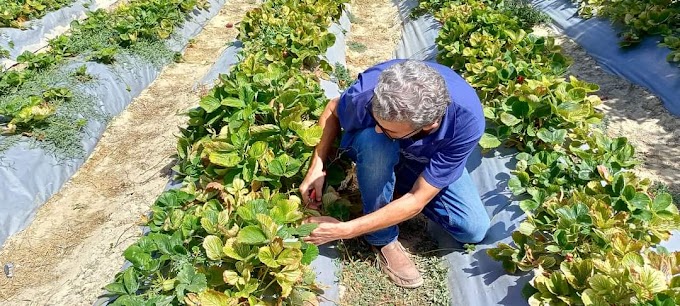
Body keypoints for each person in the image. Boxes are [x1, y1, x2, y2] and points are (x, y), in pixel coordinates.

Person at [299, 59, 490, 288]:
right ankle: (382, 238)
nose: (380, 127)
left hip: (425, 160)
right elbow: (333, 109)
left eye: (389, 129)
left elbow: (418, 199)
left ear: (428, 125)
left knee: (472, 228)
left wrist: (345, 230)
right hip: (370, 149)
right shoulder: (369, 92)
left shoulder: (466, 122)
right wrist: (316, 167)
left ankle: (391, 194)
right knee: (374, 140)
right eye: (377, 120)